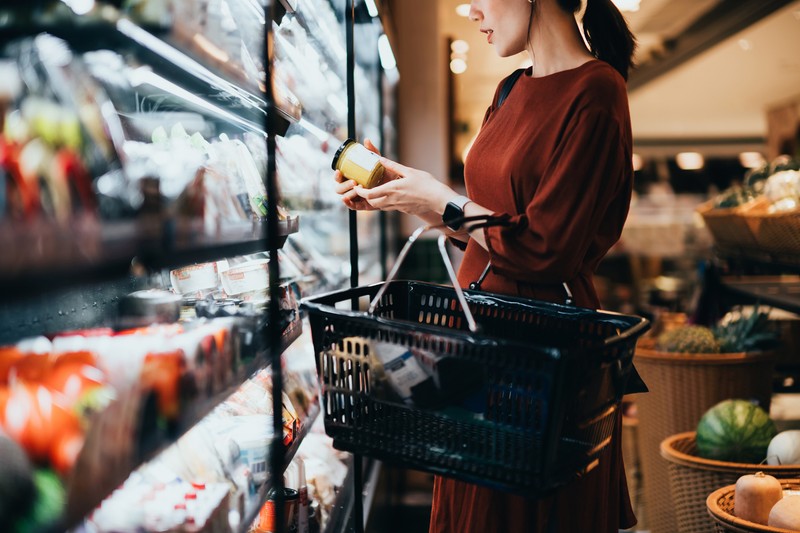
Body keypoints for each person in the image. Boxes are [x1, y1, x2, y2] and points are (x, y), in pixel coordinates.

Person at [334, 0, 637, 530]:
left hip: (539, 357)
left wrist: (444, 199)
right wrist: (411, 196)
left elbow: (545, 248)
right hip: (480, 345)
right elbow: (496, 232)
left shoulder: (596, 90)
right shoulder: (510, 89)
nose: (470, 9)